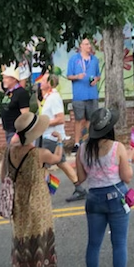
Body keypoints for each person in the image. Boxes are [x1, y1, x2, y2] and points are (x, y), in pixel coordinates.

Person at [76, 108, 134, 267]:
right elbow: (127, 177)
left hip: (93, 200)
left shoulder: (83, 149)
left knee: (93, 244)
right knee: (119, 244)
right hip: (116, 199)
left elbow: (81, 177)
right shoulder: (117, 148)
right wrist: (129, 163)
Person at [5, 112, 61, 267]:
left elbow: (5, 175)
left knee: (22, 244)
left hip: (19, 205)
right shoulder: (39, 154)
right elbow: (57, 159)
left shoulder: (10, 152)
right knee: (40, 245)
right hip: (38, 205)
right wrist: (60, 141)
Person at [38, 73, 87, 202]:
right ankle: (79, 188)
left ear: (49, 83)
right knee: (61, 163)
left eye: (43, 80)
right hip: (50, 137)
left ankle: (50, 185)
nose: (40, 83)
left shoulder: (53, 98)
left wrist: (41, 124)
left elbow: (60, 119)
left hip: (51, 137)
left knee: (39, 164)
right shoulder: (48, 98)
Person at [67, 38, 102, 152]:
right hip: (79, 95)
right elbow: (69, 76)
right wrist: (77, 77)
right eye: (86, 44)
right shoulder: (74, 59)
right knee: (78, 120)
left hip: (92, 94)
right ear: (81, 46)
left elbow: (98, 75)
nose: (89, 46)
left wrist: (95, 80)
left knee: (90, 119)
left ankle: (88, 140)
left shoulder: (94, 59)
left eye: (89, 44)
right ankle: (77, 143)